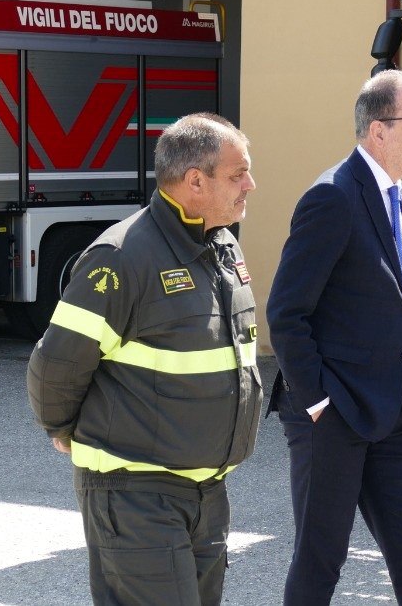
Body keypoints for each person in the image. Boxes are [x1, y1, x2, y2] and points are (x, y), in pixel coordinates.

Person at [27, 113, 261, 606]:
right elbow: (56, 365)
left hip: (206, 493)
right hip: (134, 494)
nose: (250, 185)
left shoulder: (220, 244)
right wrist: (62, 428)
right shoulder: (121, 257)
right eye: (238, 174)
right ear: (195, 181)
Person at [266, 69, 402, 606]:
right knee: (322, 559)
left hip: (393, 412)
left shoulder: (398, 196)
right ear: (378, 130)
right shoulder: (332, 198)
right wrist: (319, 401)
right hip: (335, 415)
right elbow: (286, 313)